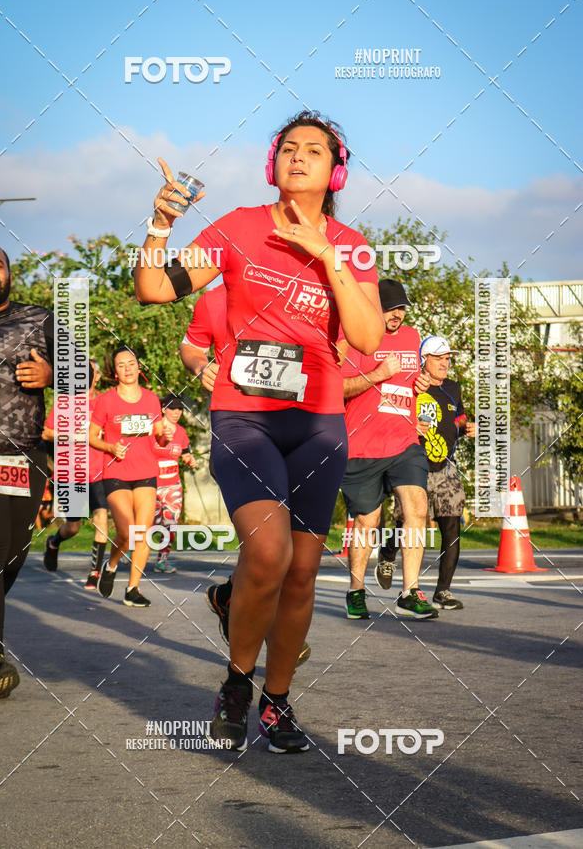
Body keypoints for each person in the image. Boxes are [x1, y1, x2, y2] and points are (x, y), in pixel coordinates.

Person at [135, 110, 384, 753]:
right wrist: (160, 225)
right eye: (289, 148)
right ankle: (236, 684)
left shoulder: (352, 244)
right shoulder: (239, 228)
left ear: (337, 172)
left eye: (315, 151)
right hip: (245, 416)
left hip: (320, 423)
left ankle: (278, 702)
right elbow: (155, 288)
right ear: (272, 161)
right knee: (268, 553)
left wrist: (325, 255)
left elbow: (366, 337)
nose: (300, 157)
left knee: (301, 573)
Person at [180, 288, 311, 667]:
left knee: (277, 547)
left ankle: (229, 598)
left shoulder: (304, 295)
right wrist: (200, 366)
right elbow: (191, 346)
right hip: (242, 433)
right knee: (269, 545)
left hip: (299, 431)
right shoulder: (216, 299)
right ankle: (269, 639)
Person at [340, 278, 438, 621]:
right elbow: (338, 388)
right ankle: (355, 590)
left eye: (401, 308)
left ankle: (409, 592)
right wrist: (379, 374)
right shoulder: (354, 337)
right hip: (362, 446)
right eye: (389, 307)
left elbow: (411, 381)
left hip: (404, 442)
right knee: (368, 521)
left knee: (418, 507)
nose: (396, 314)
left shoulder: (412, 338)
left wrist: (421, 382)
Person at [0, 239, 54, 698]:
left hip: (24, 456)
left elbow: (86, 370)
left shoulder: (42, 318)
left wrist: (53, 375)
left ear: (9, 272)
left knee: (12, 553)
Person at [377, 336, 475, 610]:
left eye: (447, 358)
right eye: (439, 358)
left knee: (452, 525)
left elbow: (459, 418)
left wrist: (467, 427)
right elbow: (391, 416)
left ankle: (442, 592)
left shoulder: (454, 388)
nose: (445, 363)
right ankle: (387, 553)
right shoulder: (413, 384)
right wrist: (410, 428)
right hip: (414, 463)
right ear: (424, 360)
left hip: (447, 467)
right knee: (406, 522)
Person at [88, 346, 167, 608]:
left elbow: (158, 434)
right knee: (126, 532)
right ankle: (110, 566)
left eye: (131, 363)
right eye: (122, 365)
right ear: (115, 371)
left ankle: (133, 589)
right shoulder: (106, 400)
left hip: (146, 472)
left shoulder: (151, 399)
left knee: (142, 534)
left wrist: (163, 434)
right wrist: (110, 447)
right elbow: (91, 436)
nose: (128, 368)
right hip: (116, 472)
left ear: (138, 367)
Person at [42, 360, 110, 589]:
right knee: (73, 527)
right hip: (71, 471)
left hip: (99, 471)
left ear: (97, 377)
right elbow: (47, 432)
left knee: (101, 515)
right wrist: (73, 436)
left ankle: (95, 573)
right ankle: (54, 542)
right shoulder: (67, 402)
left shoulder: (105, 401)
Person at [151, 392, 196, 573]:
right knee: (150, 521)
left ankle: (162, 560)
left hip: (173, 485)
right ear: (163, 409)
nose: (176, 413)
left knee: (170, 523)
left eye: (179, 409)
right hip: (152, 483)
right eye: (172, 409)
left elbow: (185, 452)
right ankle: (131, 547)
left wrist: (189, 459)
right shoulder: (154, 428)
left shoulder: (182, 432)